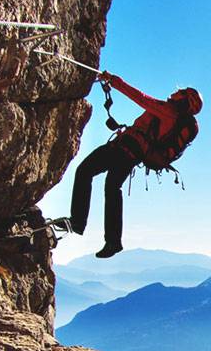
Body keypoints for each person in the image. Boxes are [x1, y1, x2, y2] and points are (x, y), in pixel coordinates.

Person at [63, 71, 202, 258]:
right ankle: (111, 241)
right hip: (133, 154)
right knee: (111, 187)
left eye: (181, 92)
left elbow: (142, 99)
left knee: (86, 171)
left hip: (124, 149)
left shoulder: (169, 112)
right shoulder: (173, 118)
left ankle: (79, 223)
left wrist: (114, 81)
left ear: (184, 100)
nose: (176, 92)